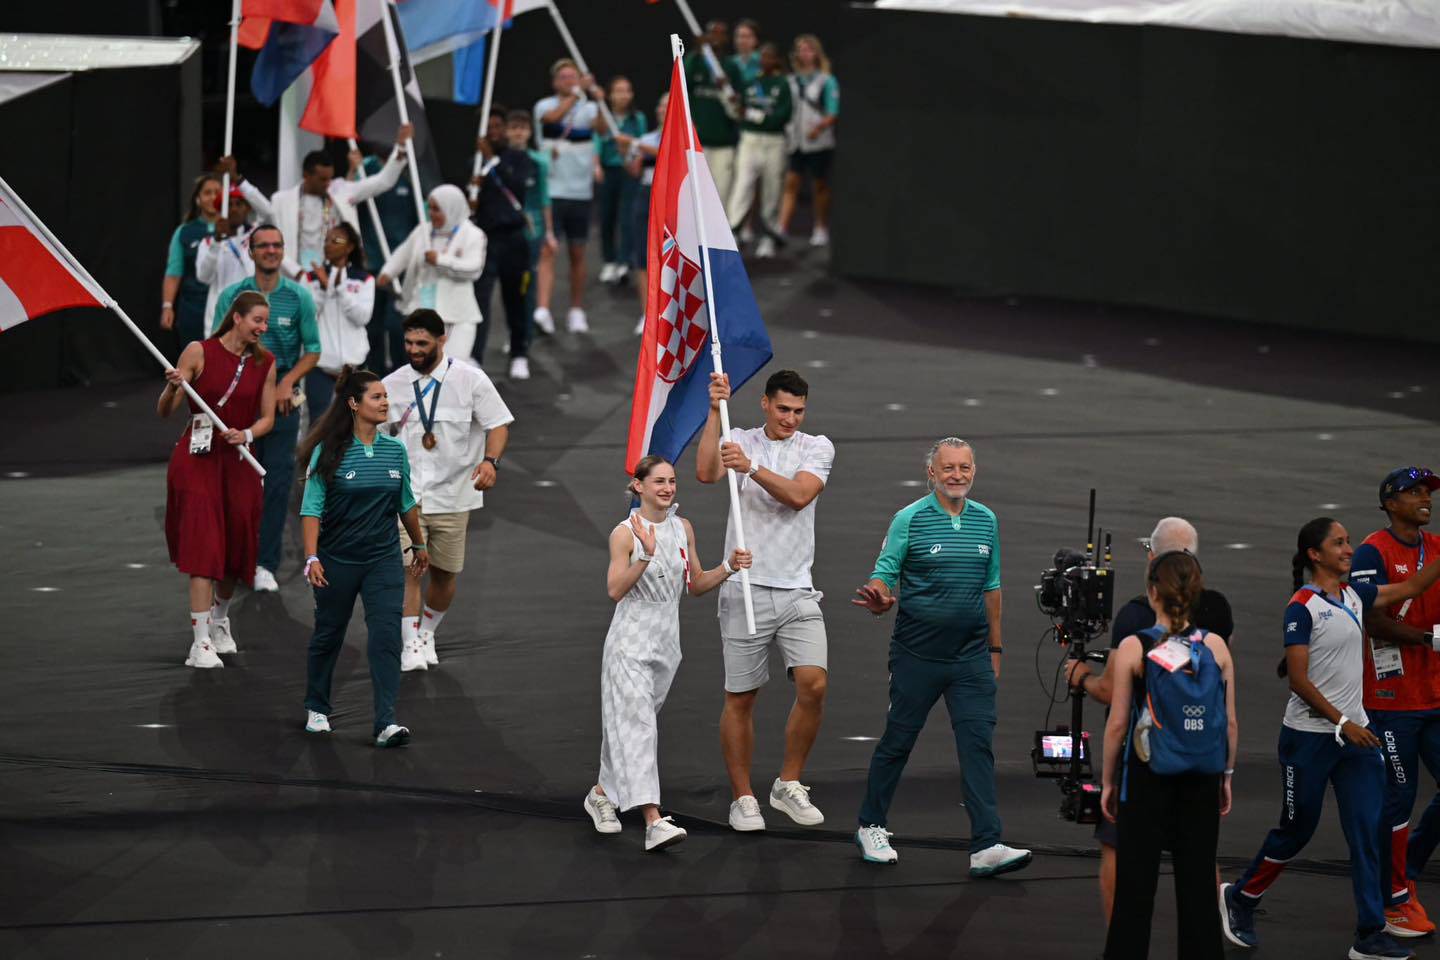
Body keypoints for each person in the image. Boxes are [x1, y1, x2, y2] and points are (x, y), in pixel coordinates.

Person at [1220, 517, 1440, 960]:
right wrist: (1343, 724)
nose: (1348, 548)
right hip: (1310, 741)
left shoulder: (1356, 595)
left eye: (1348, 541)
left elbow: (1412, 587)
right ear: (1315, 555)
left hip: (1354, 741)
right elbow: (1299, 681)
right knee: (1297, 829)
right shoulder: (1301, 607)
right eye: (1339, 543)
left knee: (1364, 831)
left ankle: (1369, 934)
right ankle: (1240, 898)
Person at [851, 438, 1033, 877]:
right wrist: (879, 596)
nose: (957, 475)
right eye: (948, 468)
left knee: (977, 746)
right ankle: (870, 825)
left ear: (974, 471)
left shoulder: (986, 521)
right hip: (917, 655)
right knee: (899, 740)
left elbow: (992, 588)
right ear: (931, 473)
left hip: (970, 658)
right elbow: (885, 570)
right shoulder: (909, 519)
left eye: (964, 468)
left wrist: (995, 648)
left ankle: (986, 844)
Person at [1066, 517, 1235, 922]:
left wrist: (1081, 676)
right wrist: (1225, 773)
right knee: (1197, 857)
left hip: (1144, 761)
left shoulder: (1136, 620)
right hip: (1200, 757)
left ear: (1153, 564)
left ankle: (1119, 941)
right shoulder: (1218, 614)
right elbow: (1227, 715)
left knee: (1118, 849)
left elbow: (1114, 703)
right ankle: (1208, 933)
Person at [584, 456, 753, 852]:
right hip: (629, 641)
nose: (667, 488)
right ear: (638, 486)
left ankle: (600, 794)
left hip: (666, 642)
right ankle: (653, 819)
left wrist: (729, 566)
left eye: (672, 481)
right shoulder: (625, 534)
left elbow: (694, 584)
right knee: (640, 727)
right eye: (658, 481)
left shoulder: (683, 528)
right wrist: (644, 554)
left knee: (629, 726)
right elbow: (614, 590)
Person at [697, 369, 833, 832]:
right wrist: (715, 410)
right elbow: (705, 472)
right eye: (783, 409)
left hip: (796, 588)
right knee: (742, 696)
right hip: (745, 589)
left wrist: (751, 468)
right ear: (764, 404)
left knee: (813, 683)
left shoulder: (817, 447)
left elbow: (799, 496)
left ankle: (787, 783)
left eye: (798, 410)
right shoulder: (737, 437)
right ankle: (743, 798)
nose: (791, 418)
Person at [1100, 551, 1237, 959]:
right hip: (1201, 776)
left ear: (1152, 592)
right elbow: (1229, 723)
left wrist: (1108, 781)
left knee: (1135, 891)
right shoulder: (1215, 647)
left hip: (1146, 777)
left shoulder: (1134, 646)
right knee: (1197, 887)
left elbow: (1118, 724)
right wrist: (1226, 775)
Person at [298, 366, 429, 747]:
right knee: (328, 634)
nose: (385, 402)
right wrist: (311, 558)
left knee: (387, 636)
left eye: (386, 396)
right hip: (337, 560)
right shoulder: (328, 452)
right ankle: (317, 707)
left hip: (383, 559)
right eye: (377, 397)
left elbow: (405, 502)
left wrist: (418, 545)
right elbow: (311, 508)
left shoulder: (395, 449)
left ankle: (386, 721)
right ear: (354, 404)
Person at [382, 310, 513, 671]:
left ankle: (426, 631)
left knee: (444, 574)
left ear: (442, 340)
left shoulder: (470, 380)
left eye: (422, 343)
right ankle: (410, 645)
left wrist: (491, 462)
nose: (414, 350)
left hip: (454, 495)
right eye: (408, 343)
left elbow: (499, 424)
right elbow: (373, 432)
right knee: (408, 569)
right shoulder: (392, 383)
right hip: (406, 496)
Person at [158, 291, 277, 668]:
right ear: (237, 318)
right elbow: (165, 411)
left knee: (236, 546)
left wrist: (248, 435)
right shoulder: (198, 351)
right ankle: (200, 643)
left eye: (265, 322)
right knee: (203, 545)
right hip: (197, 458)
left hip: (239, 459)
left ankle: (220, 620)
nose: (263, 327)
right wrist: (174, 385)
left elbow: (267, 418)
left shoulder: (266, 363)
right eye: (257, 320)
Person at [1350, 467, 1440, 937]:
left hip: (1434, 695)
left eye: (1428, 491)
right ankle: (1393, 899)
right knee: (1398, 798)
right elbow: (1373, 619)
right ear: (1390, 502)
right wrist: (1430, 638)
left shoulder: (1437, 548)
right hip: (1390, 701)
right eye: (1414, 491)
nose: (1425, 498)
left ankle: (1409, 869)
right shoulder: (1373, 551)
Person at [213, 224, 321, 593]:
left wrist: (286, 383)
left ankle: (265, 563)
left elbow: (313, 350)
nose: (271, 251)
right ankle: (234, 559)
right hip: (239, 403)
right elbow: (217, 344)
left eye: (277, 245)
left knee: (275, 484)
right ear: (252, 250)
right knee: (234, 483)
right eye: (264, 246)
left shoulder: (299, 297)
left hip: (283, 406)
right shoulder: (232, 296)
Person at [269, 126, 412, 280]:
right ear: (306, 175)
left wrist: (401, 147)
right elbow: (273, 242)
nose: (327, 184)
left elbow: (383, 181)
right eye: (322, 179)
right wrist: (299, 273)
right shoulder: (281, 201)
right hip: (293, 277)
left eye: (329, 178)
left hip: (333, 278)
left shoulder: (340, 191)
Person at [532, 58, 609, 334]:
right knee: (548, 250)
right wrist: (578, 94)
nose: (569, 81)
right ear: (555, 82)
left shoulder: (588, 108)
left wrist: (599, 101)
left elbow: (602, 129)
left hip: (580, 192)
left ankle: (576, 310)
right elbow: (551, 121)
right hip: (551, 192)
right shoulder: (544, 106)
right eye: (563, 77)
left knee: (578, 253)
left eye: (572, 77)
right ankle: (542, 310)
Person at [378, 185, 487, 364]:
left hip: (455, 314)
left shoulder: (473, 235)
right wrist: (388, 272)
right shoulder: (423, 231)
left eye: (437, 209)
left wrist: (441, 260)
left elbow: (474, 269)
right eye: (430, 208)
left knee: (452, 366)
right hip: (422, 306)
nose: (431, 213)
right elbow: (403, 253)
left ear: (451, 208)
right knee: (422, 366)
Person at [472, 107, 541, 380]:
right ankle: (475, 355)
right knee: (480, 301)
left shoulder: (523, 160)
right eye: (490, 126)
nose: (495, 131)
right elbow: (474, 200)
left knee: (516, 300)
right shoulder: (477, 161)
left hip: (515, 241)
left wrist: (491, 160)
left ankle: (519, 354)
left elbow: (518, 186)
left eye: (499, 126)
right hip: (486, 241)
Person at [352, 149, 420, 375]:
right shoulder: (366, 168)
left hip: (401, 265)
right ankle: (377, 374)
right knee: (372, 326)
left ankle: (402, 373)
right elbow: (348, 198)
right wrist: (353, 169)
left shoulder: (411, 172)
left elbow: (419, 220)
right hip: (371, 262)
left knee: (397, 324)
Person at [728, 43, 792, 260]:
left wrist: (756, 117)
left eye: (770, 57)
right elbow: (740, 110)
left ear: (776, 60)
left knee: (772, 188)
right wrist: (738, 108)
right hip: (750, 140)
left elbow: (782, 116)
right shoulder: (750, 83)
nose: (765, 60)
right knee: (743, 184)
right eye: (762, 56)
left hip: (774, 142)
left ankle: (768, 235)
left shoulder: (783, 84)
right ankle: (734, 230)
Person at [303, 223, 374, 420]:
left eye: (335, 241)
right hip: (321, 368)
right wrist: (325, 289)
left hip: (355, 367)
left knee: (356, 424)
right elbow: (308, 316)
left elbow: (362, 317)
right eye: (326, 240)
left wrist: (339, 289)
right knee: (319, 424)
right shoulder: (311, 277)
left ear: (350, 247)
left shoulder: (364, 279)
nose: (328, 245)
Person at [195, 159, 275, 328]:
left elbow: (268, 211)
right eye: (229, 204)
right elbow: (203, 277)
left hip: (253, 321)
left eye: (239, 204)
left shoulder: (258, 235)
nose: (234, 208)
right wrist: (217, 242)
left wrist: (238, 179)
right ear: (221, 209)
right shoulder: (209, 242)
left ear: (247, 208)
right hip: (220, 323)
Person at [779, 34, 839, 248]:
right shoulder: (791, 80)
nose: (805, 54)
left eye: (809, 49)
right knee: (791, 183)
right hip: (796, 141)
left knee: (819, 185)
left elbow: (833, 112)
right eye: (801, 50)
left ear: (816, 53)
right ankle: (782, 228)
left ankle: (821, 227)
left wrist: (819, 127)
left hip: (818, 142)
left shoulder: (826, 81)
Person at [504, 109, 556, 342]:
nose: (518, 133)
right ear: (507, 132)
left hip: (533, 230)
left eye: (523, 128)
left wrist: (550, 232)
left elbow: (544, 198)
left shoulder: (539, 163)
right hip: (507, 230)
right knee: (510, 284)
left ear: (529, 132)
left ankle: (524, 335)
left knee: (529, 280)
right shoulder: (500, 161)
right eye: (514, 128)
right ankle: (515, 334)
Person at [683, 21, 743, 215]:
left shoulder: (731, 67)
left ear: (726, 38)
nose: (716, 38)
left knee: (721, 195)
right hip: (697, 144)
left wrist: (728, 90)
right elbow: (682, 84)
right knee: (694, 194)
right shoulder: (695, 61)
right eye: (712, 33)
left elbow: (739, 107)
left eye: (720, 34)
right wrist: (697, 52)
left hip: (723, 144)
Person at [160, 173, 221, 348]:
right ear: (198, 199)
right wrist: (167, 306)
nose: (212, 197)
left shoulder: (236, 230)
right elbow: (174, 272)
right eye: (207, 193)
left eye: (217, 192)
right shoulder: (185, 231)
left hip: (226, 306)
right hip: (194, 307)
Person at [596, 76, 645, 287]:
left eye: (627, 90)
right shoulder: (604, 116)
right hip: (608, 171)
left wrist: (635, 161)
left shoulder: (638, 118)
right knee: (607, 217)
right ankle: (609, 260)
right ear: (610, 95)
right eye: (618, 90)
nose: (623, 95)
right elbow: (597, 139)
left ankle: (625, 261)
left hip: (630, 172)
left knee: (627, 218)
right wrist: (596, 165)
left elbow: (642, 144)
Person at [625, 95, 666, 336]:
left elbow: (671, 152)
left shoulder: (687, 135)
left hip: (672, 199)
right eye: (660, 105)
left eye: (667, 105)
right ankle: (648, 314)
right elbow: (633, 170)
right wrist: (629, 152)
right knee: (643, 256)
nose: (662, 109)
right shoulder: (646, 138)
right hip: (646, 195)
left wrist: (637, 145)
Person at [728, 19, 762, 85]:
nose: (742, 41)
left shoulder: (763, 61)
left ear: (756, 40)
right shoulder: (729, 62)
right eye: (738, 36)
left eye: (747, 37)